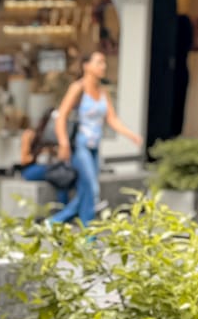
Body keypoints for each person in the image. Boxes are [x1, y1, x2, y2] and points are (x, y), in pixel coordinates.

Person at [52, 51, 142, 226]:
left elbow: (112, 119)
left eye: (104, 62)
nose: (103, 66)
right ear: (86, 66)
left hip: (94, 147)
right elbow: (61, 116)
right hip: (80, 145)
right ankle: (62, 222)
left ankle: (83, 231)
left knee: (85, 192)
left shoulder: (103, 92)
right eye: (99, 62)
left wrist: (131, 135)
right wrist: (63, 143)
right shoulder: (78, 88)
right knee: (92, 189)